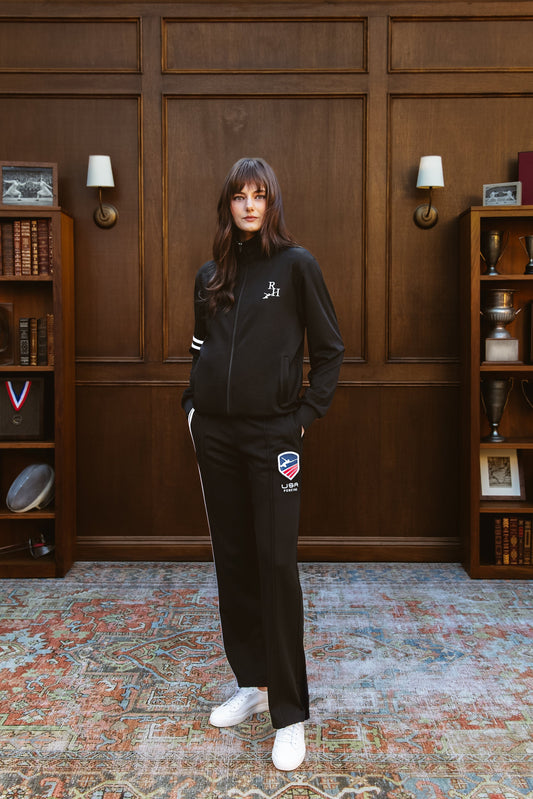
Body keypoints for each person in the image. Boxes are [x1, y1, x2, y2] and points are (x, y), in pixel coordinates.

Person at [182, 157, 344, 771]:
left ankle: (291, 716)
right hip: (216, 438)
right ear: (227, 205)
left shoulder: (297, 266)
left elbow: (330, 352)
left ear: (273, 203)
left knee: (276, 564)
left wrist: (299, 419)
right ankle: (251, 684)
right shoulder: (210, 275)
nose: (250, 205)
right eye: (239, 196)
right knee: (234, 560)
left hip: (274, 437)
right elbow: (200, 349)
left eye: (260, 196)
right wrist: (194, 408)